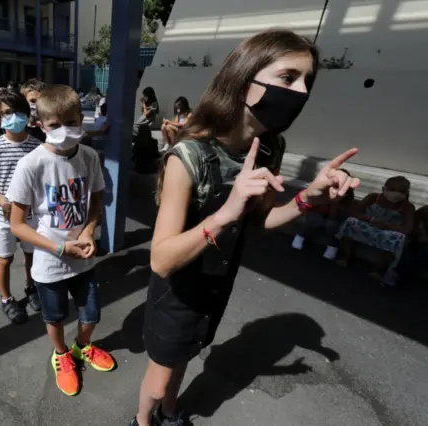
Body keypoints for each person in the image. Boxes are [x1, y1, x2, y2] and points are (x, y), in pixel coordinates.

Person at [130, 29, 360, 426]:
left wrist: (310, 198)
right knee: (160, 374)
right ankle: (142, 420)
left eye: (308, 82)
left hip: (218, 283)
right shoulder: (189, 155)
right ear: (243, 76)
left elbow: (261, 222)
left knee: (185, 359)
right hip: (178, 292)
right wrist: (224, 212)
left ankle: (170, 413)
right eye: (288, 78)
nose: (301, 92)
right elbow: (161, 260)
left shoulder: (270, 147)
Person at [7, 84, 116, 397]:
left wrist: (88, 231)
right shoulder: (31, 165)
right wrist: (58, 247)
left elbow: (96, 203)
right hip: (50, 261)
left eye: (71, 122)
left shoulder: (90, 157)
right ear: (40, 126)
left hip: (83, 256)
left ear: (83, 119)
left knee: (91, 314)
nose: (64, 130)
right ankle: (62, 355)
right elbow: (17, 224)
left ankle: (83, 347)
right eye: (55, 125)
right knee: (54, 317)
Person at [0, 88, 42, 324]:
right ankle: (6, 298)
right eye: (6, 113)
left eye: (18, 112)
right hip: (3, 215)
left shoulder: (38, 146)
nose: (13, 117)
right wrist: (4, 201)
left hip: (31, 215)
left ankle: (31, 287)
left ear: (28, 115)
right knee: (4, 258)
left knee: (31, 254)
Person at [336, 176, 415, 279]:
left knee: (399, 238)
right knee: (351, 222)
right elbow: (355, 212)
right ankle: (346, 256)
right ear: (384, 189)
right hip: (369, 225)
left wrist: (387, 225)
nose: (396, 194)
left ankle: (378, 269)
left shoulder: (407, 207)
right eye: (392, 190)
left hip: (388, 231)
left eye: (401, 191)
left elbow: (408, 229)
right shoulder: (373, 197)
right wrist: (371, 219)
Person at [291, 169, 355, 260]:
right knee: (315, 220)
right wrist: (326, 200)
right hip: (318, 211)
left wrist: (335, 202)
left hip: (336, 216)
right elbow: (314, 205)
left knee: (332, 225)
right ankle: (301, 235)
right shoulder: (322, 187)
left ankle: (333, 245)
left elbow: (339, 213)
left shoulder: (347, 194)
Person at [381, 205, 428, 287]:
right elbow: (412, 227)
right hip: (418, 240)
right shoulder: (424, 211)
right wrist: (419, 235)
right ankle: (393, 274)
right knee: (411, 252)